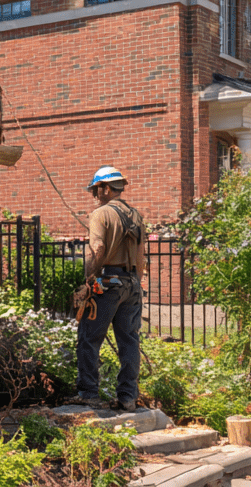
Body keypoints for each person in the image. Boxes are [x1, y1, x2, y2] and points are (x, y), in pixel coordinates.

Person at [75, 165, 147, 411]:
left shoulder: (101, 214)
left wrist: (89, 281)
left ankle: (88, 393)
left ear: (106, 188)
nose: (95, 194)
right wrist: (135, 282)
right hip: (132, 284)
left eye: (96, 189)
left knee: (88, 338)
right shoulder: (136, 215)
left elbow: (98, 250)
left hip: (107, 282)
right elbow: (141, 257)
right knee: (129, 342)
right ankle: (128, 397)